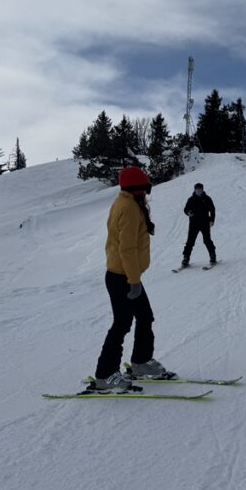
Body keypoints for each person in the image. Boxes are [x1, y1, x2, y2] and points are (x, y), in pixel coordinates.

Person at [92, 166, 170, 393]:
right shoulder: (128, 207)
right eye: (144, 187)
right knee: (122, 324)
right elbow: (126, 248)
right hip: (122, 276)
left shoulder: (127, 202)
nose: (147, 192)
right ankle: (105, 375)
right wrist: (134, 281)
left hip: (126, 274)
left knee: (145, 316)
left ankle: (141, 362)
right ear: (136, 188)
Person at [182, 182, 216, 266]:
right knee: (190, 241)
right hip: (194, 224)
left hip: (205, 223)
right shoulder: (191, 199)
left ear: (203, 190)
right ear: (195, 190)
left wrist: (212, 220)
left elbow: (212, 209)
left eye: (200, 190)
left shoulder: (207, 199)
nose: (199, 192)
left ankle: (212, 256)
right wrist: (188, 212)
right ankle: (186, 258)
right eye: (197, 190)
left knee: (207, 240)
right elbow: (186, 209)